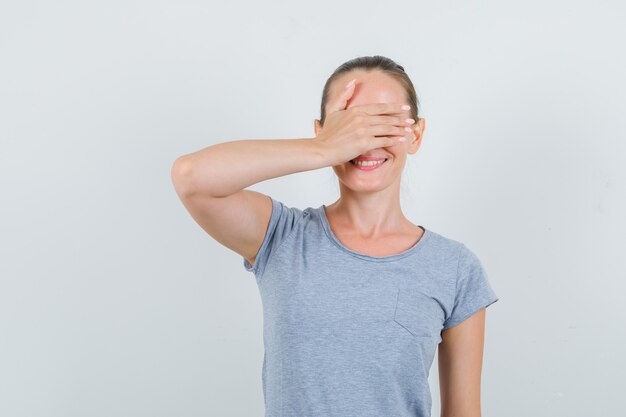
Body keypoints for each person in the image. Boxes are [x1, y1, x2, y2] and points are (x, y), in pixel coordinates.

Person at [171, 55, 499, 417]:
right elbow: (191, 177)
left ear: (415, 134)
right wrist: (325, 149)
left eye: (385, 123)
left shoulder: (455, 268)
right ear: (323, 131)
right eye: (350, 125)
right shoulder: (282, 238)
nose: (365, 140)